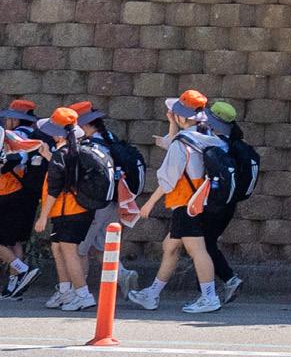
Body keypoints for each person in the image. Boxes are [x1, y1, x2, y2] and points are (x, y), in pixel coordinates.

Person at [129, 89, 226, 314]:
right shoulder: (206, 135)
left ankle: (209, 297)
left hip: (185, 203)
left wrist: (150, 203)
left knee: (197, 250)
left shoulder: (182, 143)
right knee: (170, 246)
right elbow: (176, 143)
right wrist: (173, 123)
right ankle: (152, 294)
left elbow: (168, 179)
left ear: (184, 116)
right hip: (201, 201)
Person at [69, 102, 139, 301]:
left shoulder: (92, 146)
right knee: (100, 247)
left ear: (84, 125)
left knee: (79, 249)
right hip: (114, 201)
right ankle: (123, 274)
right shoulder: (110, 139)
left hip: (96, 204)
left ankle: (79, 293)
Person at [33, 107, 96, 312]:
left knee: (69, 252)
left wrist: (43, 217)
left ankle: (83, 295)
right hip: (78, 210)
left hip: (67, 211)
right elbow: (66, 174)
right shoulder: (74, 149)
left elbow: (54, 188)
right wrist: (48, 157)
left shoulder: (62, 153)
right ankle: (66, 290)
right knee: (59, 249)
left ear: (58, 134)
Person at [198, 101, 246, 306]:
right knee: (206, 244)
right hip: (228, 202)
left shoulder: (212, 143)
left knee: (201, 246)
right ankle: (222, 283)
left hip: (213, 203)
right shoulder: (233, 143)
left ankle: (224, 282)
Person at [0, 100, 45, 300]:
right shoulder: (36, 135)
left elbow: (15, 159)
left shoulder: (15, 136)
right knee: (14, 240)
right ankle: (14, 285)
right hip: (27, 194)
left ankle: (22, 269)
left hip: (8, 193)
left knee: (4, 240)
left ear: (15, 119)